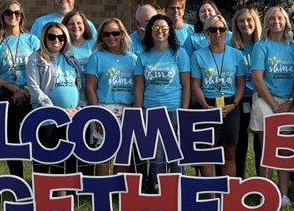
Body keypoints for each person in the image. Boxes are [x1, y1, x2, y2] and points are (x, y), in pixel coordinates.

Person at [0, 0, 41, 178]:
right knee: (12, 143)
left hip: (31, 95)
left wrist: (25, 89)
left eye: (17, 13)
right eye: (9, 13)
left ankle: (39, 181)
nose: (13, 16)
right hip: (6, 96)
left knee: (36, 140)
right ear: (2, 16)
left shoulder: (32, 40)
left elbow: (42, 68)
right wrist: (14, 88)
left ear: (22, 17)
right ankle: (18, 183)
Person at [135, 14, 192, 191]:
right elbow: (139, 87)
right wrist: (138, 112)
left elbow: (186, 85)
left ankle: (177, 189)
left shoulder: (179, 53)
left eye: (164, 28)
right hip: (151, 111)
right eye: (155, 28)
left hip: (174, 110)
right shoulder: (143, 56)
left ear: (169, 31)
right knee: (157, 155)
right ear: (150, 31)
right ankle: (160, 191)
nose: (160, 32)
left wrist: (184, 110)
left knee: (175, 153)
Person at [251, 6, 294, 198]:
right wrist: (273, 105)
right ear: (267, 23)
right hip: (265, 100)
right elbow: (257, 77)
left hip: (287, 101)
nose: (276, 22)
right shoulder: (261, 46)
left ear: (286, 22)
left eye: (280, 18)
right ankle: (266, 193)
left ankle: (283, 194)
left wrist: (289, 101)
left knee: (286, 150)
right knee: (268, 149)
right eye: (272, 19)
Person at [190, 15, 247, 178]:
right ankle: (211, 193)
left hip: (230, 105)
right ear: (207, 32)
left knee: (229, 152)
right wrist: (206, 107)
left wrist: (235, 104)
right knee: (207, 151)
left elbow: (241, 83)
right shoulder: (198, 55)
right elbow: (196, 85)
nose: (218, 33)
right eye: (213, 30)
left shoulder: (236, 55)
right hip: (207, 104)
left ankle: (228, 194)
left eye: (222, 29)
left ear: (226, 32)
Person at [85, 18, 143, 176]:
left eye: (115, 33)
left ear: (122, 34)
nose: (111, 37)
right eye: (107, 34)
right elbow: (90, 87)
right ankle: (102, 190)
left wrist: (136, 113)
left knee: (122, 155)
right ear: (101, 37)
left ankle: (118, 192)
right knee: (103, 155)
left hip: (128, 110)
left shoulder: (133, 59)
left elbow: (139, 86)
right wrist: (96, 114)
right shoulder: (96, 57)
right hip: (105, 108)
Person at [26, 22, 84, 176]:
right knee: (46, 158)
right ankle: (44, 195)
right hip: (46, 118)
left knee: (69, 158)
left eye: (61, 37)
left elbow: (80, 86)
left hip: (71, 116)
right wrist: (55, 112)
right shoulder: (36, 58)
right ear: (44, 38)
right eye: (51, 36)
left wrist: (78, 108)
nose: (56, 40)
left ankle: (68, 195)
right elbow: (34, 88)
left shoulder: (71, 59)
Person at [230, 8, 263, 178]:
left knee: (261, 145)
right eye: (241, 21)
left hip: (260, 99)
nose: (245, 24)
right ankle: (239, 183)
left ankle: (261, 182)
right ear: (236, 24)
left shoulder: (262, 44)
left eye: (249, 20)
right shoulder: (231, 46)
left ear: (255, 22)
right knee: (239, 143)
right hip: (239, 99)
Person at [30, 0, 96, 37]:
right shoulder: (40, 23)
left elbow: (96, 47)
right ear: (53, 1)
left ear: (73, 0)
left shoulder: (86, 24)